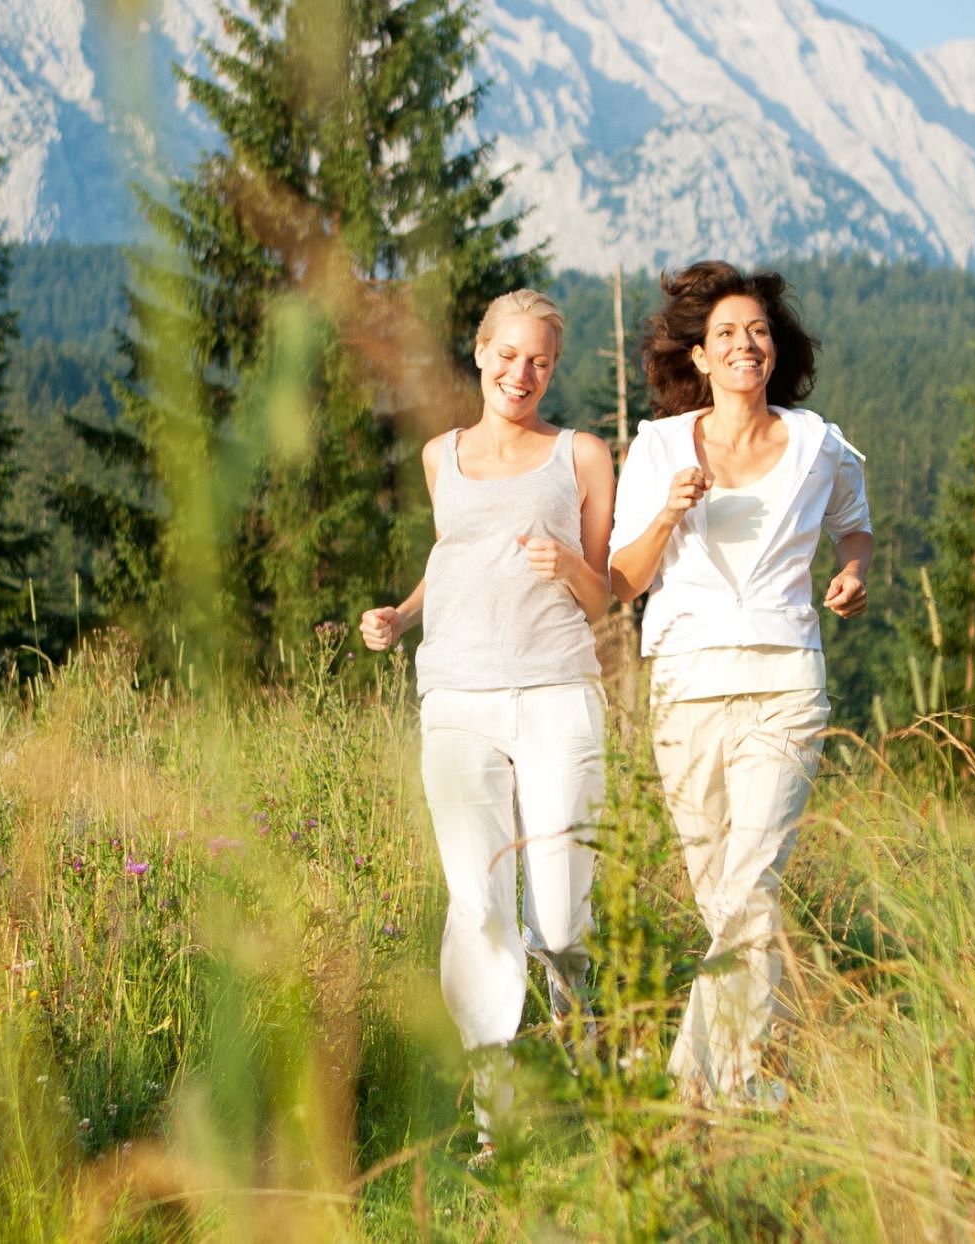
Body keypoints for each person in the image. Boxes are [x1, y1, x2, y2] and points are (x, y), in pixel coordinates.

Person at [608, 260, 872, 1107]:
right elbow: (623, 578)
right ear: (699, 356)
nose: (743, 345)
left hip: (784, 680)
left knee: (753, 883)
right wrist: (666, 515)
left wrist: (852, 573)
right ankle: (745, 1068)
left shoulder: (817, 443)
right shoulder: (655, 450)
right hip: (685, 684)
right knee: (722, 891)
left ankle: (706, 1084)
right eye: (725, 334)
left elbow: (855, 528)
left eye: (756, 331)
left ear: (774, 348)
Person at [358, 288, 615, 1152]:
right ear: (479, 353)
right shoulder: (442, 456)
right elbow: (456, 560)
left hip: (555, 696)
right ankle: (494, 1119)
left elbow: (607, 591)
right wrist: (400, 614)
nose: (522, 373)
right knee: (477, 907)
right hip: (458, 699)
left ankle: (580, 1087)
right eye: (508, 356)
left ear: (553, 368)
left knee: (561, 918)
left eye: (539, 360)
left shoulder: (580, 455)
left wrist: (566, 560)